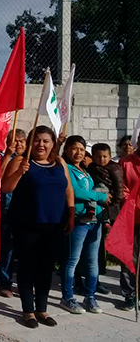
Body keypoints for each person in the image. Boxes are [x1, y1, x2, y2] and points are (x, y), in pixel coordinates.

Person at [2, 126, 74, 328]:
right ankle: (28, 311)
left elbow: (68, 188)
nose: (41, 144)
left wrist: (70, 213)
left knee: (46, 268)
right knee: (28, 267)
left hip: (54, 224)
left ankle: (42, 308)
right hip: (27, 224)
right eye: (36, 140)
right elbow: (5, 187)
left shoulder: (59, 162)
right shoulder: (21, 161)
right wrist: (19, 173)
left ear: (52, 144)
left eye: (45, 141)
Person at [60, 135, 111, 315]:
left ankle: (90, 296)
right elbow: (75, 191)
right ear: (66, 150)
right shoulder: (66, 168)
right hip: (79, 222)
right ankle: (67, 297)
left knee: (92, 262)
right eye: (74, 148)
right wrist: (101, 197)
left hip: (94, 222)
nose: (78, 152)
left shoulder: (84, 170)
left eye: (81, 149)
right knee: (72, 261)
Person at [83, 143, 124, 296]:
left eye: (105, 156)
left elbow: (119, 187)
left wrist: (115, 201)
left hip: (109, 206)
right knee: (90, 249)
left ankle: (96, 280)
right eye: (98, 156)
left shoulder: (114, 168)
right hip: (93, 208)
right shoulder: (90, 167)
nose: (101, 159)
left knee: (99, 248)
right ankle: (88, 280)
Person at [0, 129, 27, 298]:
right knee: (7, 248)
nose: (19, 144)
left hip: (26, 211)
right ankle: (5, 282)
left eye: (22, 140)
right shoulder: (1, 158)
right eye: (14, 140)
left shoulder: (30, 160)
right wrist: (7, 156)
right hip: (6, 209)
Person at [117, 135, 140, 310]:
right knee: (128, 258)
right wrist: (131, 201)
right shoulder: (126, 162)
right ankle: (129, 295)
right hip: (130, 216)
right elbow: (121, 187)